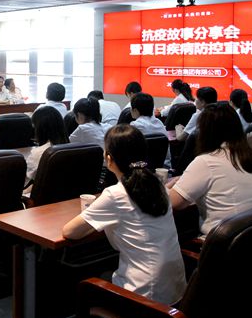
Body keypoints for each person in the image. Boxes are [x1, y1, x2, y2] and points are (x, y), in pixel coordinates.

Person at [63, 124, 186, 305]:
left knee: (85, 286)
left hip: (144, 299)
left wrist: (97, 223)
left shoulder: (115, 194)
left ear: (109, 158)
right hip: (176, 291)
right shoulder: (158, 185)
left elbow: (69, 232)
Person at [167, 103, 252, 237]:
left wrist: (166, 186)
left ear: (204, 132)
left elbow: (174, 202)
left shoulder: (207, 161)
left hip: (223, 243)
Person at [24, 106, 69, 191]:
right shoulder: (71, 148)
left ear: (39, 128)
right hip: (65, 193)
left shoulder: (39, 152)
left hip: (39, 195)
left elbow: (26, 180)